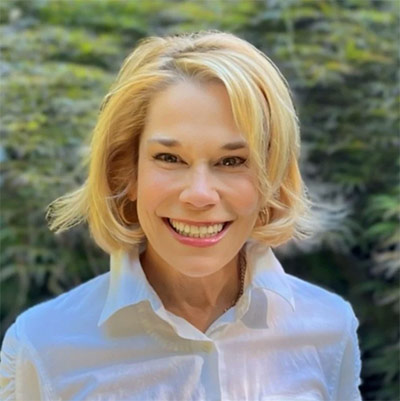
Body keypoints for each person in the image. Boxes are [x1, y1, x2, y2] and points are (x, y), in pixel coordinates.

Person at [0, 30, 362, 401]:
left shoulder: (330, 329)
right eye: (169, 158)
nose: (199, 195)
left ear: (272, 176)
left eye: (232, 161)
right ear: (126, 172)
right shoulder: (42, 347)